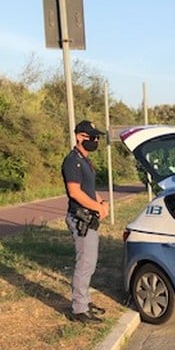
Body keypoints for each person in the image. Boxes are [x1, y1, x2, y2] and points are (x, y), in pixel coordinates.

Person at [62, 120, 110, 323]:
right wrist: (97, 207)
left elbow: (88, 189)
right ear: (80, 137)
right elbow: (74, 192)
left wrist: (101, 202)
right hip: (80, 217)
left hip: (90, 217)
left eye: (97, 137)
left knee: (90, 263)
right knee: (84, 263)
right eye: (92, 137)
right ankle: (79, 309)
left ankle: (85, 300)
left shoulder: (85, 160)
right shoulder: (73, 161)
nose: (96, 140)